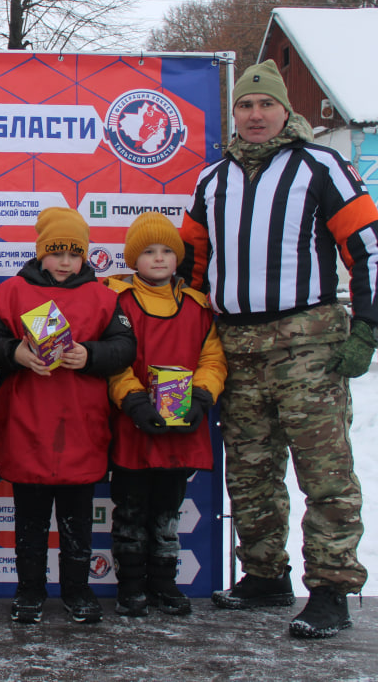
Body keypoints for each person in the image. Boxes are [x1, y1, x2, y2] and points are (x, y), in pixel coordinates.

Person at [181, 59, 378, 639]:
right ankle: (265, 574)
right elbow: (193, 262)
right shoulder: (211, 180)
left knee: (324, 472)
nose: (255, 115)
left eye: (265, 105)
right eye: (245, 106)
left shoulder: (322, 166)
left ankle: (330, 588)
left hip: (307, 343)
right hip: (236, 344)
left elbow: (370, 248)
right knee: (250, 470)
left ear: (285, 110)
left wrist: (367, 329)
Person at [0, 207, 135, 625]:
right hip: (26, 425)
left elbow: (125, 347)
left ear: (84, 256)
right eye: (56, 253)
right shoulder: (9, 292)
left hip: (81, 427)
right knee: (29, 520)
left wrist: (91, 354)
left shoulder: (105, 297)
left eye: (73, 254)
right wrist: (15, 352)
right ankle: (29, 590)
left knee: (77, 521)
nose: (64, 262)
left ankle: (77, 590)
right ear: (40, 252)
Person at [103, 211, 227, 617]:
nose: (158, 259)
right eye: (148, 252)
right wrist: (134, 401)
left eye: (166, 251)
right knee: (130, 510)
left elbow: (212, 359)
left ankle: (164, 581)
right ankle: (130, 585)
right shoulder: (118, 302)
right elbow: (113, 362)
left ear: (178, 258)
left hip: (180, 429)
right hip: (133, 427)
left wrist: (202, 397)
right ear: (133, 259)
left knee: (168, 511)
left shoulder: (197, 306)